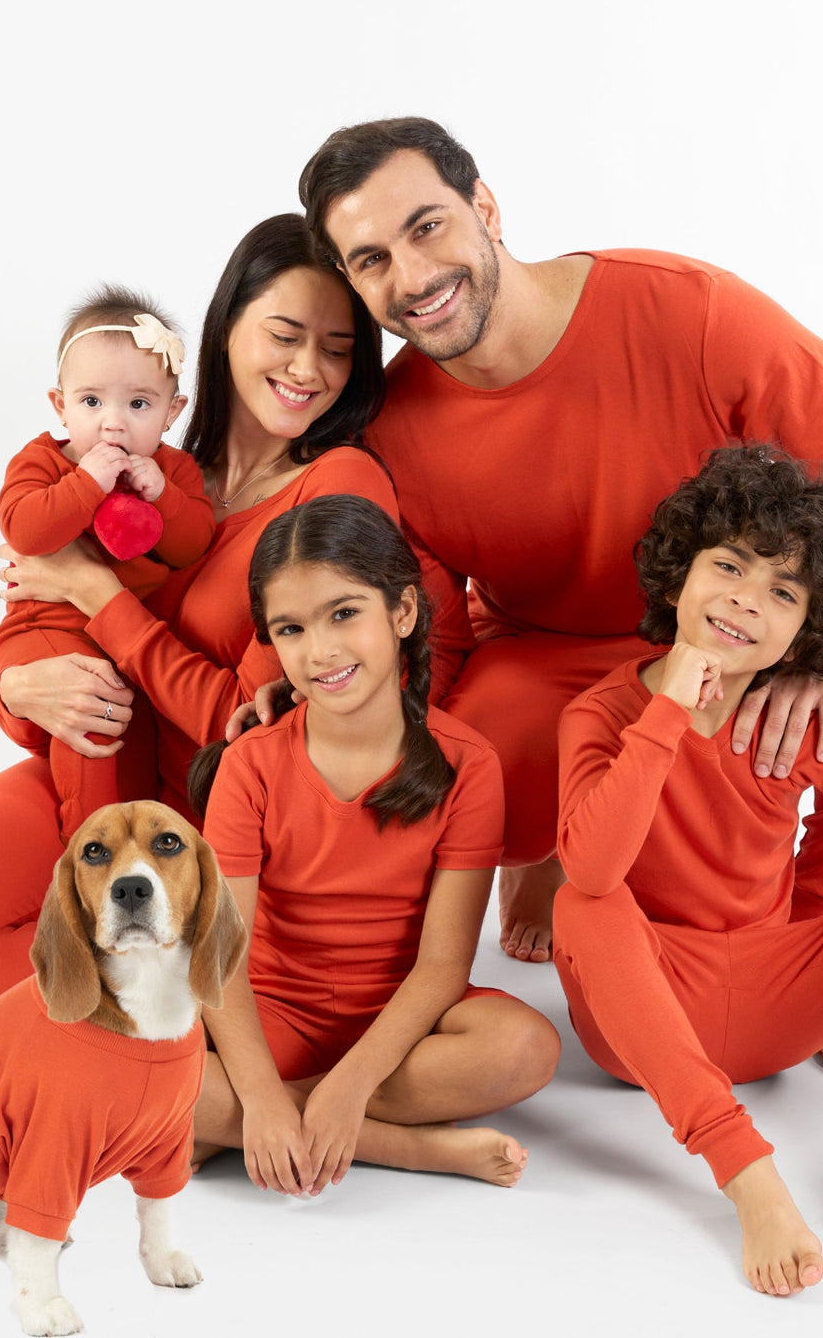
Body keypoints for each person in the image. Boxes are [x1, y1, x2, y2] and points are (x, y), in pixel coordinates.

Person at [294, 116, 823, 1078]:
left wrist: (819, 649)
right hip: (553, 666)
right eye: (372, 260)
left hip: (735, 638)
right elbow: (431, 652)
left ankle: (806, 927)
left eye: (428, 226)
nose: (411, 276)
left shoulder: (683, 309)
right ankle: (558, 857)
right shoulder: (393, 430)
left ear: (485, 206)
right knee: (445, 761)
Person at [0, 214, 402, 1082]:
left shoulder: (336, 486)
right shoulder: (162, 460)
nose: (308, 368)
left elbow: (259, 734)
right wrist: (18, 688)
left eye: (339, 349)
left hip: (177, 844)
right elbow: (47, 624)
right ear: (227, 326)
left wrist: (96, 592)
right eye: (283, 334)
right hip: (81, 775)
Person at [553, 445, 823, 1298]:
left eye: (782, 591)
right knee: (582, 903)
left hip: (774, 1000)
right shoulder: (603, 714)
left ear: (805, 635)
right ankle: (746, 1173)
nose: (744, 597)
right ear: (677, 578)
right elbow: (592, 863)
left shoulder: (798, 724)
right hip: (647, 1012)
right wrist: (667, 714)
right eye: (728, 565)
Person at [191, 494, 560, 1192]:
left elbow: (444, 965)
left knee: (528, 1048)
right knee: (130, 1065)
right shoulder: (250, 764)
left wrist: (351, 1083)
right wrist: (264, 1096)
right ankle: (403, 1147)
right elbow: (219, 961)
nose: (320, 649)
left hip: (403, 1025)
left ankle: (256, 1127)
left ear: (403, 612)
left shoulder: (468, 764)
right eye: (292, 628)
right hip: (274, 1012)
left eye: (344, 613)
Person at [0, 285, 215, 839]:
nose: (112, 424)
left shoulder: (175, 472)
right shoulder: (43, 461)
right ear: (60, 404)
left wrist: (161, 496)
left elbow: (192, 546)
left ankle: (128, 839)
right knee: (89, 709)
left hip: (124, 642)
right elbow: (25, 530)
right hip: (44, 627)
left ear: (172, 412)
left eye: (138, 404)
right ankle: (87, 839)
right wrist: (87, 484)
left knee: (127, 738)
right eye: (92, 402)